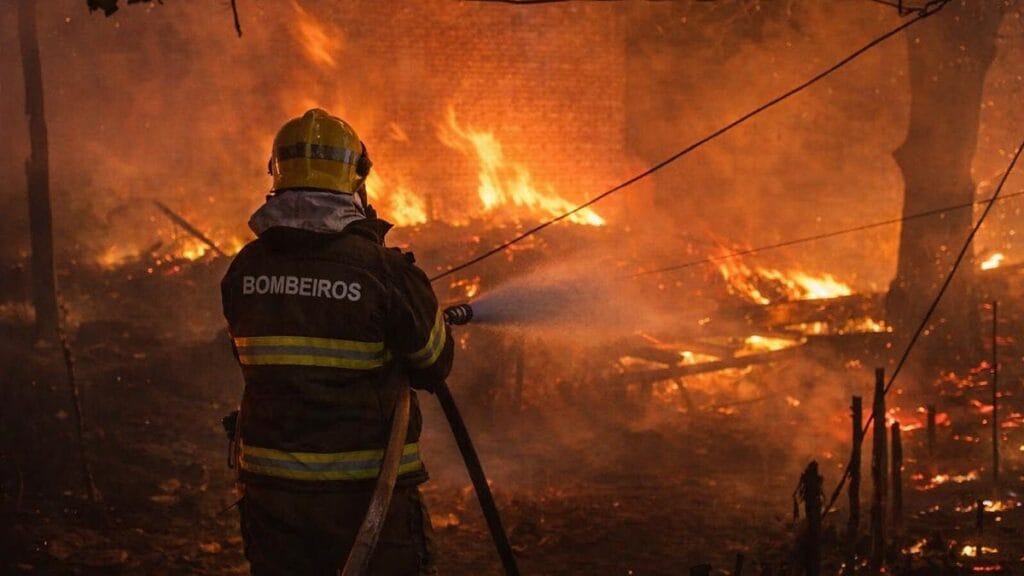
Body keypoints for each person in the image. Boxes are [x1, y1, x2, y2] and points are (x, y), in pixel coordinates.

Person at [220, 108, 453, 575]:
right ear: (356, 177)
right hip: (366, 497)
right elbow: (432, 361)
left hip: (271, 496)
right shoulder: (381, 270)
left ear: (277, 173)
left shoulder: (245, 269)